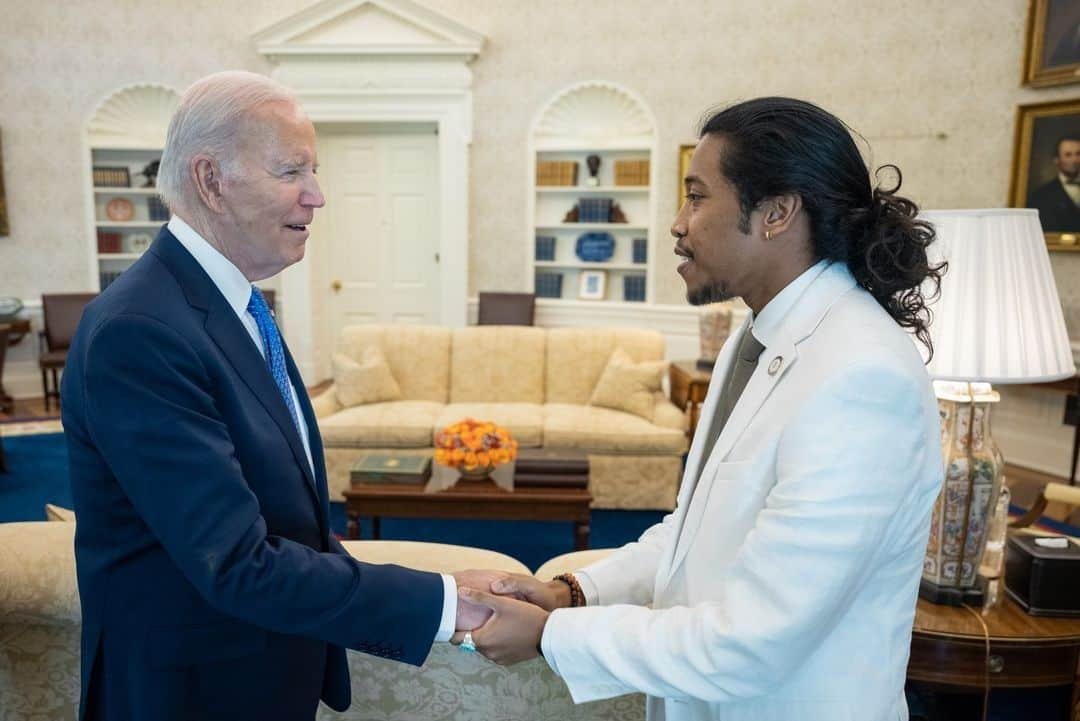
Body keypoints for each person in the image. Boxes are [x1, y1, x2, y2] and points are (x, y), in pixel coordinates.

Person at [454, 97, 947, 721]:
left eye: (696, 195)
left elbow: (754, 641)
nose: (677, 223)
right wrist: (570, 593)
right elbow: (696, 534)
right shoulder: (756, 336)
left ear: (775, 213)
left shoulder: (862, 377)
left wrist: (549, 636)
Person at [61, 71, 493, 721]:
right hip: (189, 695)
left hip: (259, 672)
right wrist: (444, 606)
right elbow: (236, 561)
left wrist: (445, 592)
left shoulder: (236, 305)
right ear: (211, 181)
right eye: (293, 171)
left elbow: (286, 523)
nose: (317, 195)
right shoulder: (140, 332)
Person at [1026, 134, 1080, 233]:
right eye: (1068, 155)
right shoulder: (1042, 195)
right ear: (1056, 159)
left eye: (1078, 154)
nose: (1075, 160)